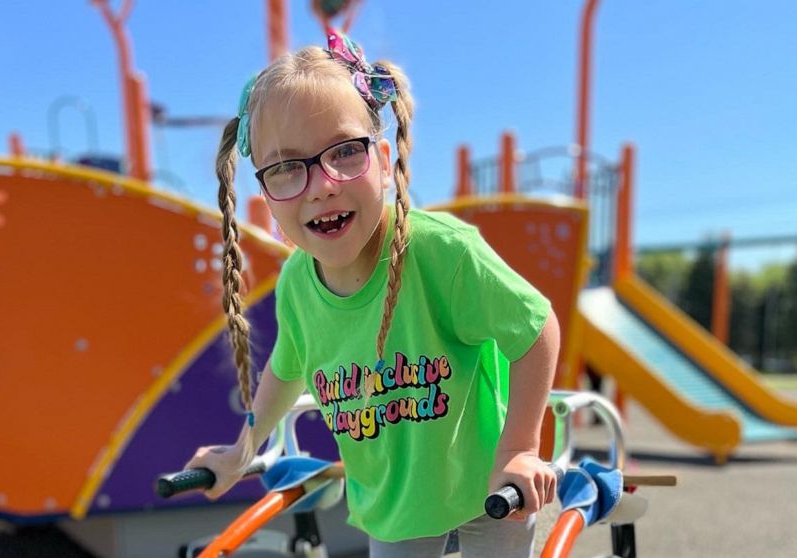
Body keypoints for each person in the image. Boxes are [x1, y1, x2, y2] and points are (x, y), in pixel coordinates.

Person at [186, 29, 561, 558]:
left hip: (490, 488)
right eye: (288, 167)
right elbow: (286, 372)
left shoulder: (441, 253)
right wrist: (241, 448)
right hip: (393, 505)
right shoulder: (297, 282)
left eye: (343, 152)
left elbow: (536, 329)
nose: (322, 185)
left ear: (384, 162)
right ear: (266, 194)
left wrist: (520, 448)